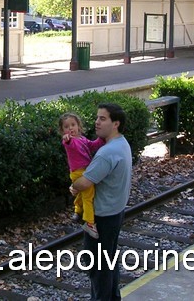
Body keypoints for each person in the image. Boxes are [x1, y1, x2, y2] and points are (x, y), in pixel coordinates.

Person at [69, 102, 132, 301]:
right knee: (109, 261)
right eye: (97, 118)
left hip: (101, 218)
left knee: (97, 266)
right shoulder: (122, 143)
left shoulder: (106, 153)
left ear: (116, 124)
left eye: (102, 119)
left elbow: (85, 181)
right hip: (116, 211)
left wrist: (73, 186)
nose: (96, 122)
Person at [59, 112, 105, 239]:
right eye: (66, 127)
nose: (70, 128)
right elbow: (68, 144)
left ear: (79, 126)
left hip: (82, 171)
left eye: (73, 125)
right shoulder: (70, 141)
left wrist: (101, 139)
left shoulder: (82, 139)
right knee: (88, 197)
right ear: (63, 130)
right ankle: (90, 223)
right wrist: (66, 139)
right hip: (80, 172)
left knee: (81, 193)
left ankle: (78, 211)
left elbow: (93, 145)